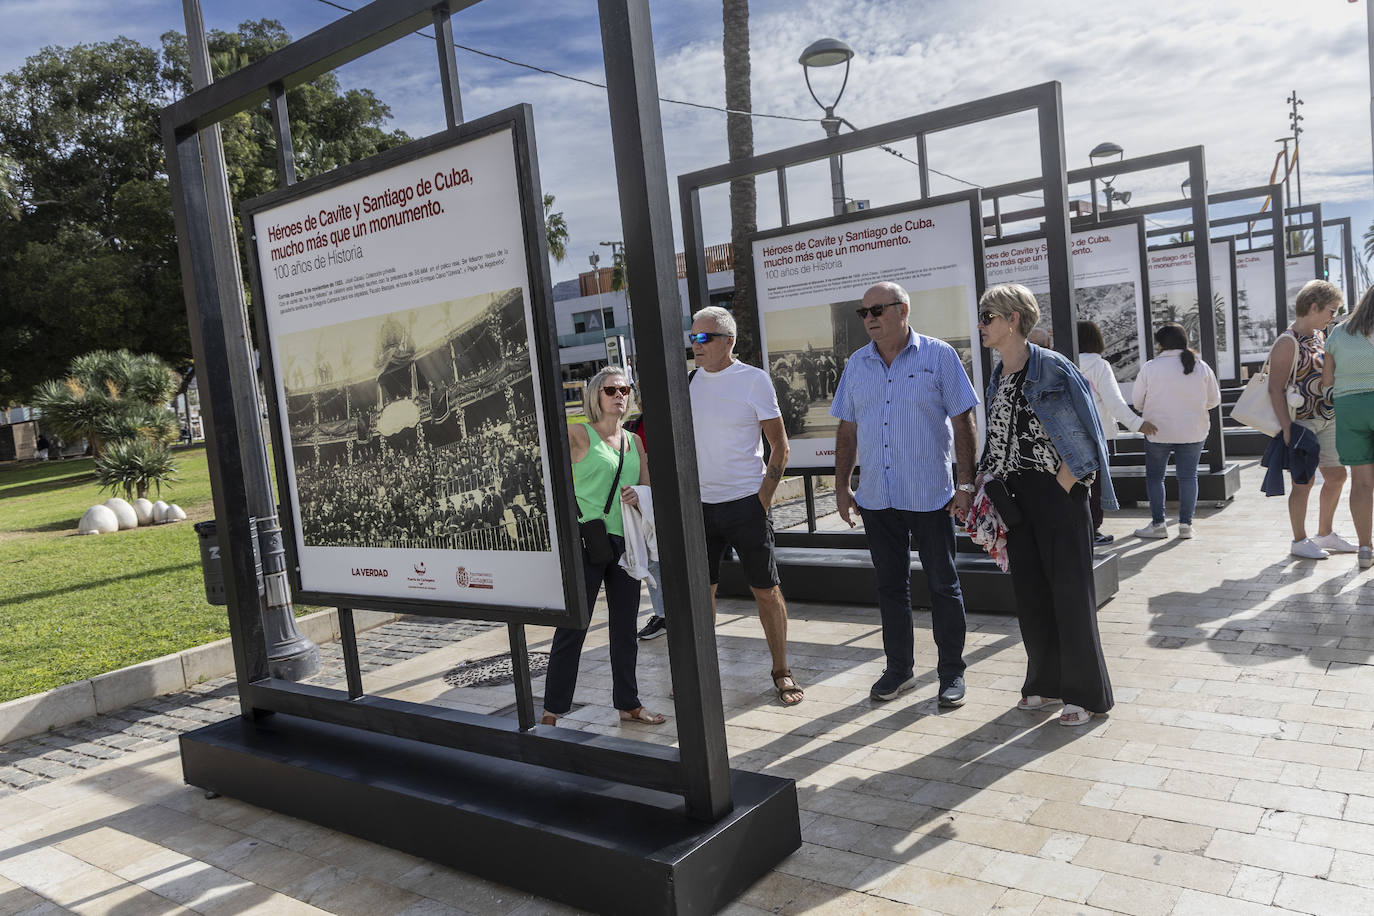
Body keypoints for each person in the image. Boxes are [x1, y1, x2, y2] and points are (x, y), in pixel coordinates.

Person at [832, 281, 977, 708]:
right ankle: (899, 670)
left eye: (877, 309)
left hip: (931, 496)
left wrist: (966, 484)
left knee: (943, 586)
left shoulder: (939, 355)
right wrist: (841, 486)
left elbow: (963, 421)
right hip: (877, 498)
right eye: (864, 312)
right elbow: (847, 429)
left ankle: (951, 672)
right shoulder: (857, 364)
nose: (870, 318)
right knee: (890, 588)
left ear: (903, 310)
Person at [977, 283, 1115, 727]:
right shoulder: (999, 373)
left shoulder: (1053, 367)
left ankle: (1085, 694)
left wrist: (1062, 486)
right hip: (1015, 499)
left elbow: (1088, 435)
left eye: (988, 317)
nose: (981, 325)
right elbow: (998, 437)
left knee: (1070, 595)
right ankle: (1045, 682)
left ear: (1013, 319)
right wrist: (981, 481)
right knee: (1032, 596)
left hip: (1057, 494)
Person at [684, 306, 803, 706]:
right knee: (702, 593)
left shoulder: (753, 380)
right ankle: (702, 672)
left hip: (745, 505)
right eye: (693, 337)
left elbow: (780, 446)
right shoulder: (688, 383)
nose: (696, 344)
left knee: (766, 591)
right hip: (700, 508)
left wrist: (762, 501)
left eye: (704, 337)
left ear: (728, 341)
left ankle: (782, 671)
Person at [541, 365, 665, 726]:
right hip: (587, 540)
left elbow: (648, 488)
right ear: (596, 395)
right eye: (611, 390)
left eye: (624, 390)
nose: (619, 396)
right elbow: (552, 480)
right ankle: (552, 710)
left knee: (625, 627)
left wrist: (638, 495)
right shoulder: (578, 434)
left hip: (625, 542)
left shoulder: (634, 441)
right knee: (573, 627)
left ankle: (628, 702)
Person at [1269, 280, 1355, 559]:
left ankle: (1325, 533)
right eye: (1332, 310)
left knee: (1337, 476)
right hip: (1302, 422)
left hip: (1327, 417)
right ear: (1314, 306)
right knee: (1303, 482)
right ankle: (1299, 540)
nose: (1333, 316)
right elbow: (1275, 388)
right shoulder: (1287, 341)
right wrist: (1286, 428)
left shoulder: (1319, 336)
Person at [1130, 323, 1221, 539]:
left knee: (1155, 477)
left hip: (1157, 431)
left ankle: (1158, 525)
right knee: (1188, 477)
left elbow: (1137, 401)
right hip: (1193, 431)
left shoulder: (1150, 367)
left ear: (1160, 344)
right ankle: (1185, 526)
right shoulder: (1201, 366)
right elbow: (1214, 400)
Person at [1076, 320, 1158, 544]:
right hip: (1096, 433)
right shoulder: (1099, 365)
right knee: (1095, 483)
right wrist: (1137, 424)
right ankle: (1092, 529)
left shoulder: (1063, 362)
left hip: (1068, 433)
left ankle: (1077, 529)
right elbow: (1114, 402)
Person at [1321, 284, 1374, 569]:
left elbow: (1327, 380)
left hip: (1350, 409)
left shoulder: (1339, 333)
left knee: (1361, 483)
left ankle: (1365, 548)